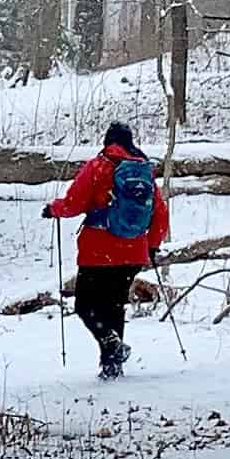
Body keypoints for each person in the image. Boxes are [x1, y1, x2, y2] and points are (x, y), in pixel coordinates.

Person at [43, 121, 169, 379]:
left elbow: (74, 203)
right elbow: (160, 213)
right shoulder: (142, 171)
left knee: (85, 305)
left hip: (99, 251)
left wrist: (53, 209)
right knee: (114, 306)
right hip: (133, 253)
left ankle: (111, 345)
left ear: (108, 140)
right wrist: (153, 245)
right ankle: (112, 367)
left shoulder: (98, 166)